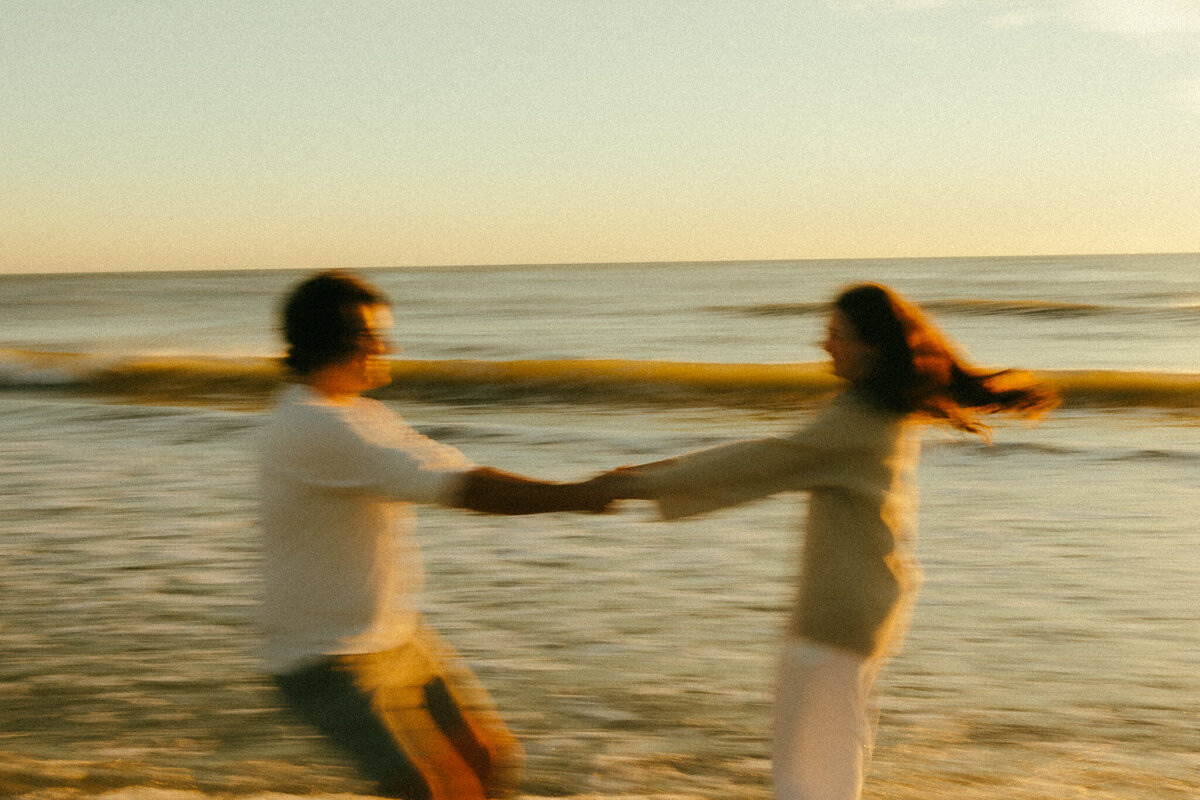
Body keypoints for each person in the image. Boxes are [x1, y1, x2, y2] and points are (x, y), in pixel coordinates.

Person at [591, 283, 1056, 800]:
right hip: (859, 605)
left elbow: (764, 461)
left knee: (811, 780)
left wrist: (634, 483)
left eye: (836, 334)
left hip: (837, 616)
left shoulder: (860, 419)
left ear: (872, 346)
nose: (824, 345)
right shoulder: (875, 408)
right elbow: (776, 457)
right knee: (827, 767)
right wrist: (643, 478)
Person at [259, 270, 613, 800]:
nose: (389, 347)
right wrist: (578, 495)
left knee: (488, 762)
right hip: (323, 659)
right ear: (345, 344)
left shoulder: (362, 414)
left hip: (394, 635)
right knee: (423, 791)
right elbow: (468, 491)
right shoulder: (315, 427)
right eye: (376, 336)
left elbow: (459, 469)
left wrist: (590, 488)